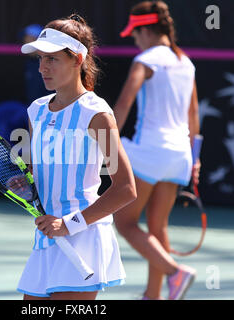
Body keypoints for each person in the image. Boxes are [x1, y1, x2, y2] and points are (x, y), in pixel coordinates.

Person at [17, 14, 137, 300]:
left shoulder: (96, 114)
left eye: (53, 59)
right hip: (47, 239)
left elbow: (125, 188)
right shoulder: (37, 110)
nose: (43, 68)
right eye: (40, 60)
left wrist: (69, 224)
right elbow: (37, 171)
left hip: (82, 238)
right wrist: (24, 182)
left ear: (77, 59)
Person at [113, 1, 201, 300]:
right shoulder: (186, 62)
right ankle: (154, 295)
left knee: (124, 222)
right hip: (179, 156)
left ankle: (175, 272)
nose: (135, 40)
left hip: (151, 152)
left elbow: (124, 104)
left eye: (136, 34)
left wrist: (104, 144)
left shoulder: (146, 59)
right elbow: (193, 116)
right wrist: (195, 157)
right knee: (156, 226)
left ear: (147, 30)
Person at [21, 24, 52, 104]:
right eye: (26, 39)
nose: (26, 41)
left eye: (30, 39)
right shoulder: (26, 63)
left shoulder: (51, 64)